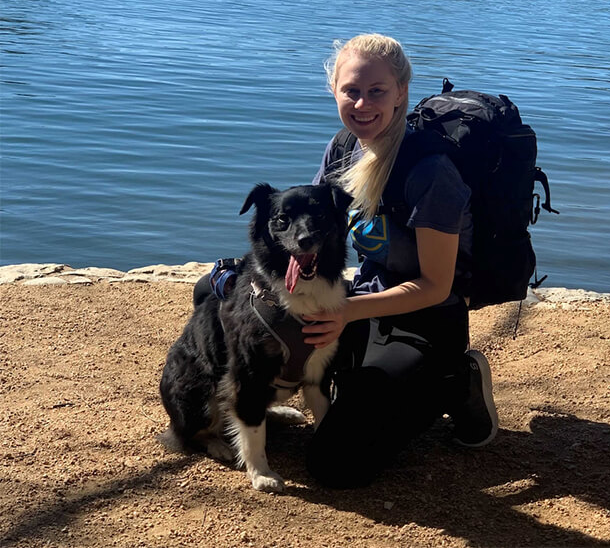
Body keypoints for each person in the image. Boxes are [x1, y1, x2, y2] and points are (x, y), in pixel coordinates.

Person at [200, 33, 498, 488]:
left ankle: (455, 381)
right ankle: (243, 398)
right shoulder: (343, 148)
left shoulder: (431, 172)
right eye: (351, 91)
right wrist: (248, 275)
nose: (362, 103)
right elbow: (304, 231)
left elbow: (437, 285)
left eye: (376, 91)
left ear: (401, 92)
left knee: (334, 465)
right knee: (214, 293)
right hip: (361, 301)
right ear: (334, 91)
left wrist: (343, 311)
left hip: (422, 320)